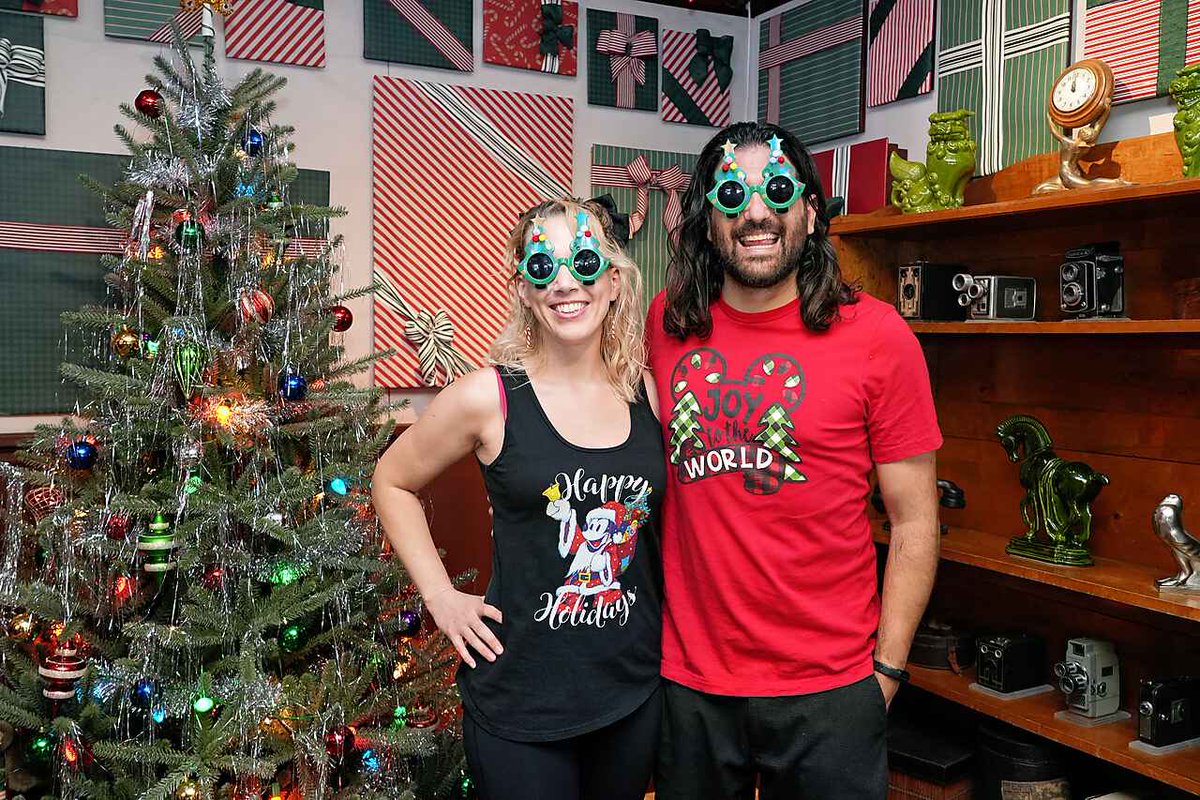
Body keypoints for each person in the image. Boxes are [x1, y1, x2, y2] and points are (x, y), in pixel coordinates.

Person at [646, 121, 943, 799]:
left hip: (831, 690)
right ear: (707, 219)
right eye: (731, 194)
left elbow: (917, 522)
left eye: (777, 190)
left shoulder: (878, 337)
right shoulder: (667, 324)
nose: (755, 213)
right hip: (691, 686)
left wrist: (887, 674)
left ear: (810, 210)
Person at [372, 197, 664, 800]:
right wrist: (440, 595)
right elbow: (391, 482)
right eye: (542, 267)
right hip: (521, 704)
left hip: (632, 694)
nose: (565, 283)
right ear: (526, 292)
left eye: (584, 262)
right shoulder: (489, 396)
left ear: (613, 282)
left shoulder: (647, 393)